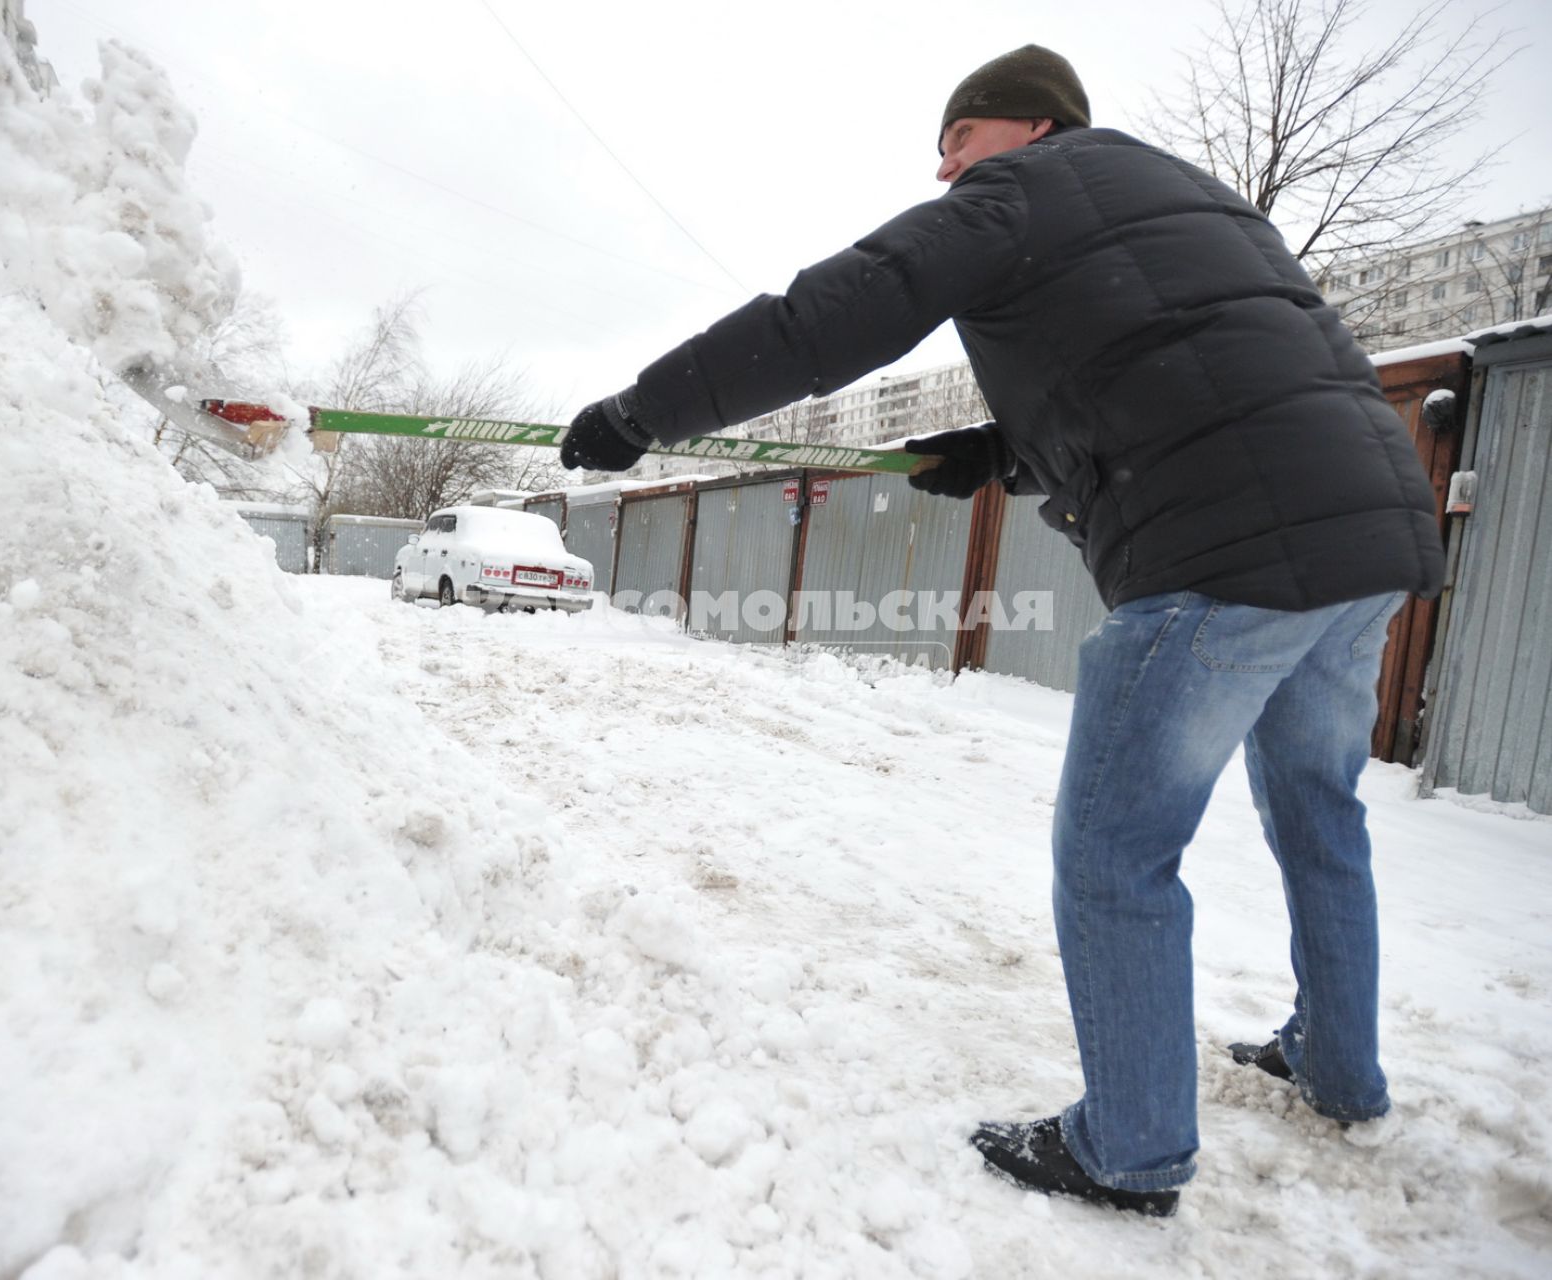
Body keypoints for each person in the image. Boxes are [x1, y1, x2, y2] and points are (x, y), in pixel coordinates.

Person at [560, 44, 1444, 1216]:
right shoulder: (1187, 198)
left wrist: (641, 412)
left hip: (1223, 555)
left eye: (956, 140)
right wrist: (996, 450)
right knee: (1321, 812)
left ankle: (1127, 1146)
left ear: (1025, 127)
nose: (942, 170)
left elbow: (825, 318)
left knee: (1115, 854)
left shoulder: (1017, 191)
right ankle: (1337, 1065)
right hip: (1367, 534)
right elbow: (1175, 365)